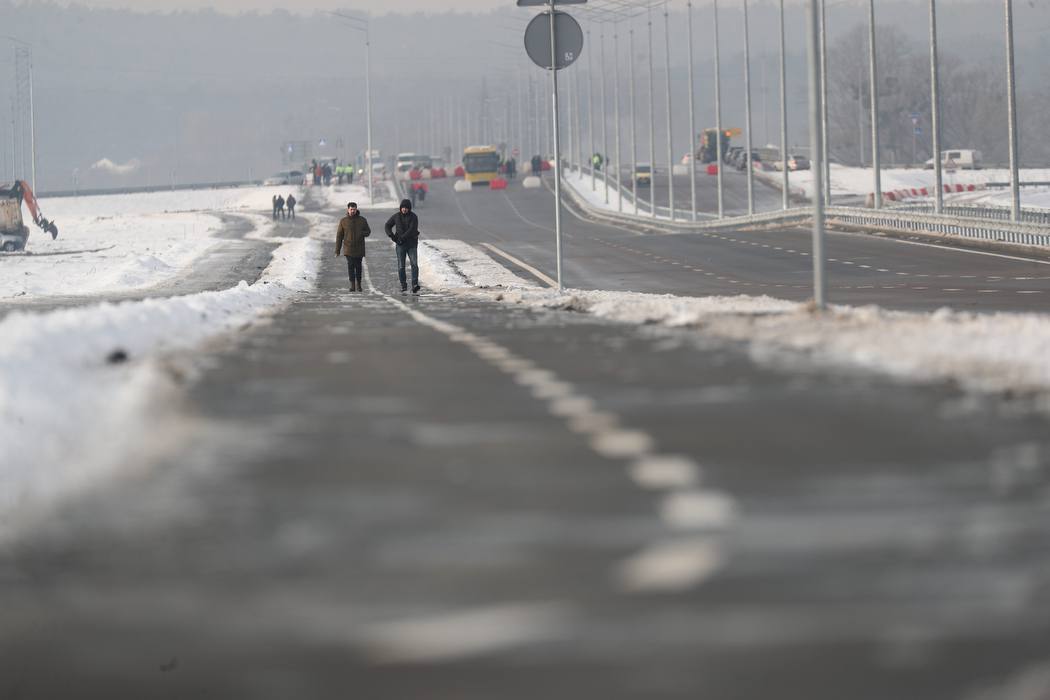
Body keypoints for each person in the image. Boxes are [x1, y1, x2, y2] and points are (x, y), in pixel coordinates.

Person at [384, 198, 420, 294]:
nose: (404, 209)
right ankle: (403, 285)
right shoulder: (396, 216)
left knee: (414, 264)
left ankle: (415, 284)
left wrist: (401, 238)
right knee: (401, 266)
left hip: (411, 244)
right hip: (400, 245)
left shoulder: (413, 217)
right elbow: (387, 225)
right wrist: (392, 236)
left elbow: (412, 229)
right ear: (400, 208)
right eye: (402, 207)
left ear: (409, 208)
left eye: (406, 208)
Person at [336, 201, 370, 292]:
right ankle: (352, 285)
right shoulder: (343, 221)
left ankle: (359, 285)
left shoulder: (362, 220)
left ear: (356, 209)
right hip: (348, 248)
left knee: (358, 266)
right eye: (351, 209)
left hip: (359, 248)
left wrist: (362, 233)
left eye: (354, 209)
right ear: (348, 210)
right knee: (351, 266)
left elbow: (368, 231)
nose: (353, 211)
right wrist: (337, 250)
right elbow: (339, 236)